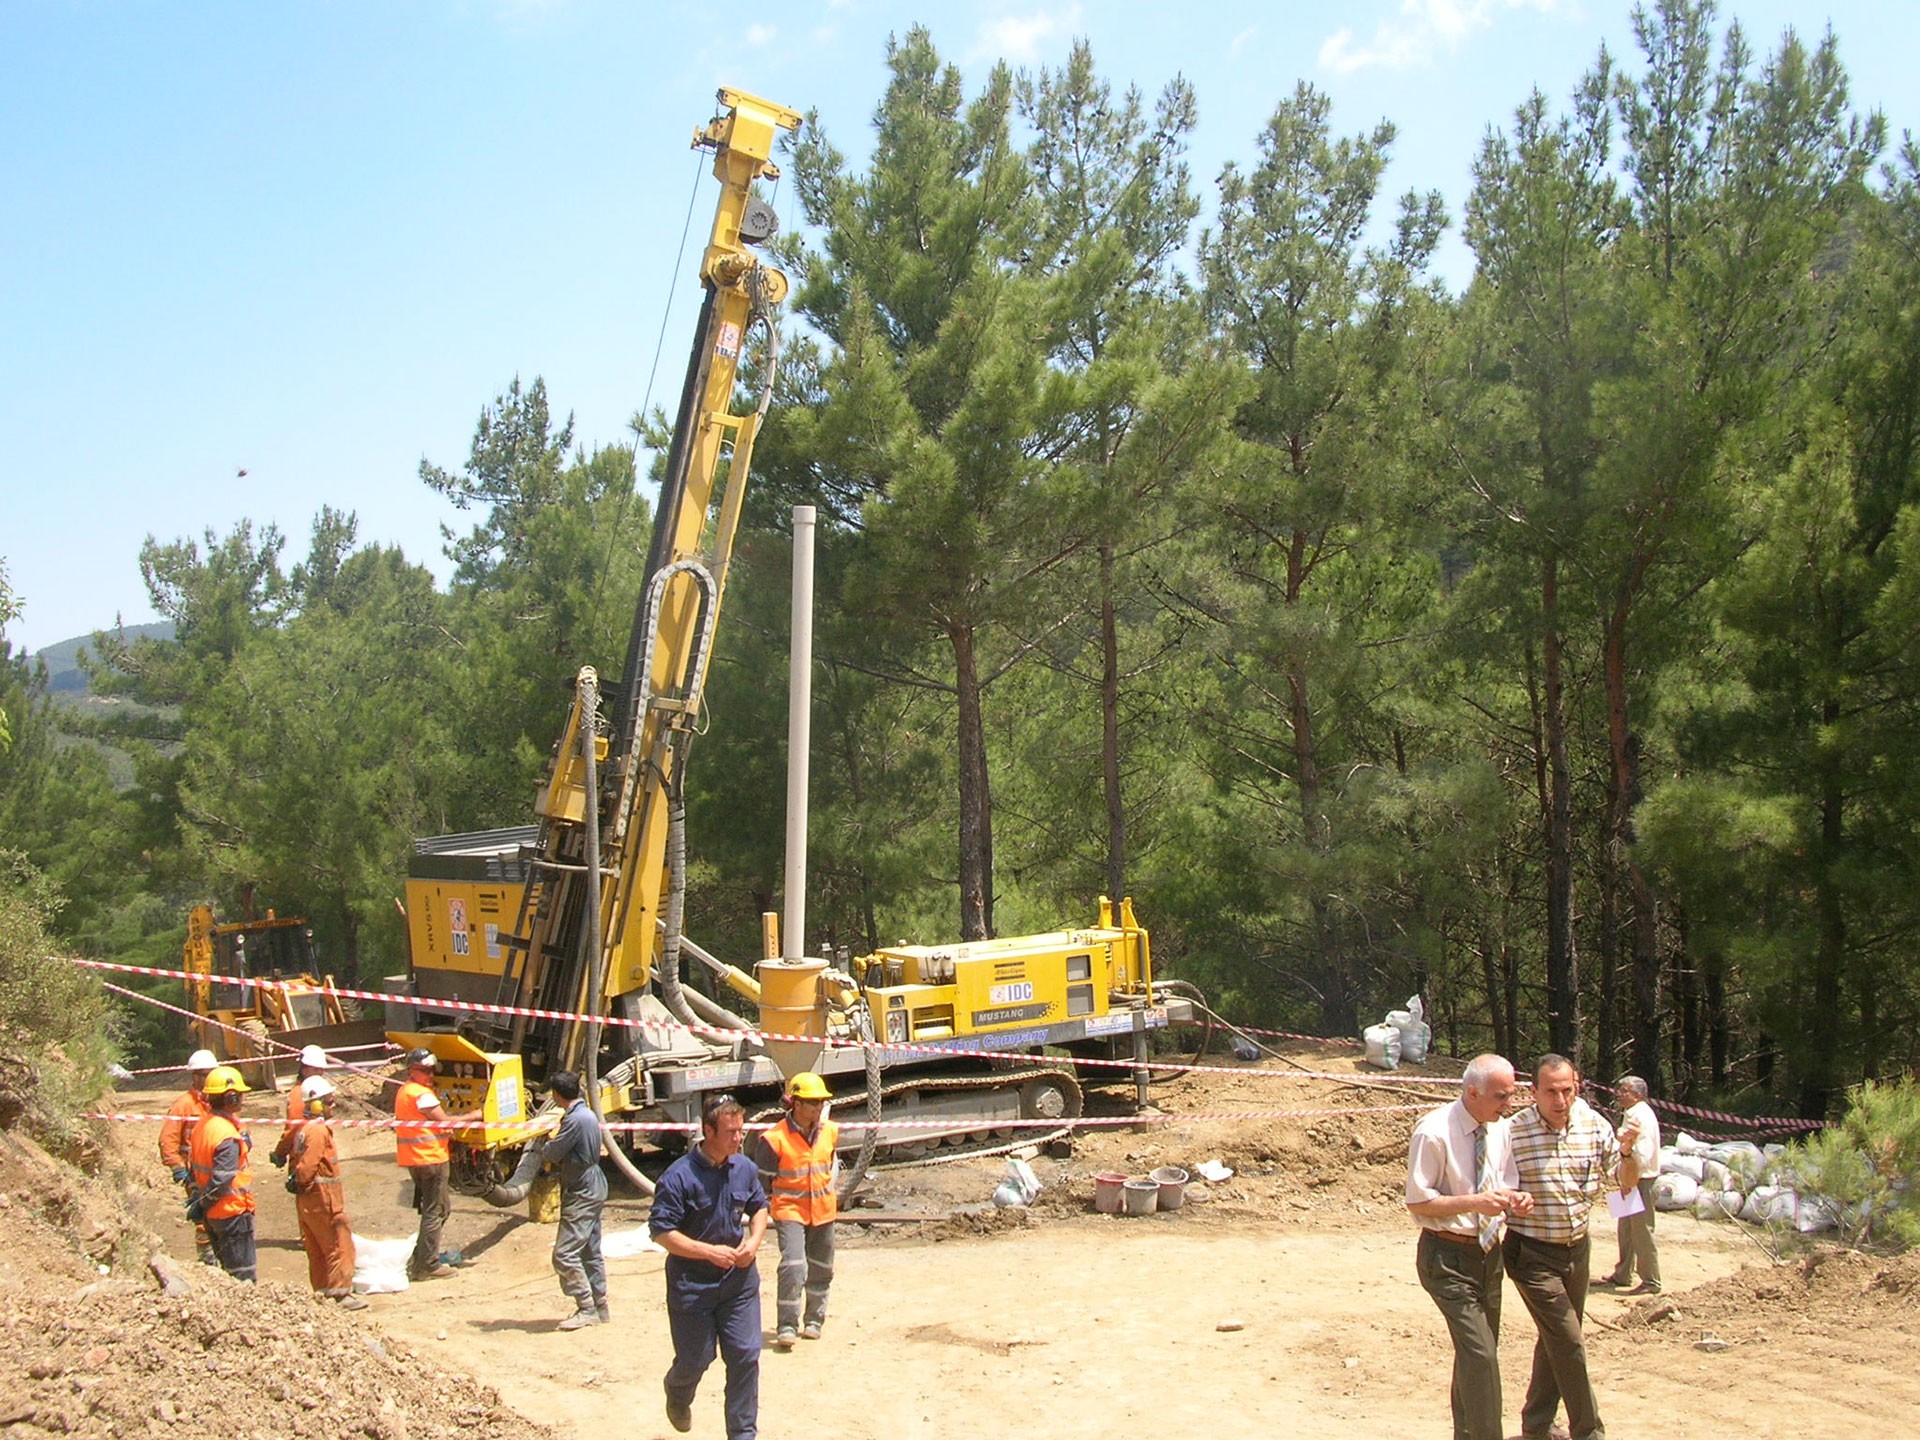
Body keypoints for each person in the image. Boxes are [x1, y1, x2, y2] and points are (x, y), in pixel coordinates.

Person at [1505, 1054, 1643, 1440]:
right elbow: (1492, 1186)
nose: (1560, 1100)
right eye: (1550, 1091)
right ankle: (1589, 1431)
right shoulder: (1513, 1133)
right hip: (1531, 1253)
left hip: (1577, 1251)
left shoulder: (1594, 1125)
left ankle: (1536, 1423)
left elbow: (1625, 1182)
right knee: (1569, 1340)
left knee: (1558, 1339)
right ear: (1532, 1092)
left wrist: (1629, 1152)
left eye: (1567, 1090)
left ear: (1577, 1086)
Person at [1405, 1053, 1534, 1440]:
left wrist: (1516, 1200)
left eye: (1511, 1095)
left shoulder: (1500, 1129)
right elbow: (1417, 1203)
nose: (1508, 1105)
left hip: (1488, 1256)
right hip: (1446, 1258)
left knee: (1475, 1355)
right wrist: (1474, 1203)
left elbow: (1504, 1182)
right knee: (1482, 1357)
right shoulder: (1433, 1132)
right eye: (1500, 1096)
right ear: (1472, 1092)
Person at [650, 1094, 770, 1439]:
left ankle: (742, 1434)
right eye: (731, 1132)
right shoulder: (679, 1177)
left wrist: (754, 1240)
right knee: (696, 1360)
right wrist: (707, 1252)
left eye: (741, 1131)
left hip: (738, 1283)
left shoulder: (743, 1167)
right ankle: (677, 1391)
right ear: (708, 1131)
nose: (738, 1138)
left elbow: (759, 1206)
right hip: (693, 1286)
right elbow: (661, 1232)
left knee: (746, 1355)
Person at [749, 1071, 839, 1349]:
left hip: (823, 1211)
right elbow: (761, 1185)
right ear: (796, 1103)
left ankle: (814, 1320)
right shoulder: (773, 1139)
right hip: (790, 1211)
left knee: (822, 1268)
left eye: (821, 1102)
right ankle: (787, 1325)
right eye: (813, 1102)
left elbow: (830, 1166)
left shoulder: (831, 1132)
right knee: (793, 1266)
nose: (819, 1107)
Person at [394, 1046, 481, 1281]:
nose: (430, 1075)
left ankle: (421, 1258)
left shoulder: (405, 1091)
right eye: (425, 1070)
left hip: (415, 1159)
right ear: (412, 1069)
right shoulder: (421, 1095)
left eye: (432, 1070)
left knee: (439, 1209)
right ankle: (428, 1265)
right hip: (430, 1158)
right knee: (436, 1211)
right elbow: (445, 1123)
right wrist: (473, 1116)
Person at [289, 1074, 367, 1309]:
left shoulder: (304, 1129)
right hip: (323, 1198)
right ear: (315, 1103)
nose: (333, 1105)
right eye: (328, 1101)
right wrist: (302, 1180)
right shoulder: (318, 1131)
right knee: (338, 1244)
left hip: (308, 1200)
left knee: (316, 1248)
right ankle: (341, 1294)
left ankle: (323, 1292)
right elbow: (308, 1166)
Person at [540, 1070, 610, 1330]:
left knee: (565, 1254)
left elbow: (556, 1152)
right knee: (590, 1250)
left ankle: (586, 1306)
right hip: (593, 1184)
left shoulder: (574, 1120)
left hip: (582, 1189)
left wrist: (543, 1146)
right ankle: (600, 1305)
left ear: (557, 1095)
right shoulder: (587, 1114)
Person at [186, 1065, 257, 1282]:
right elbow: (222, 1178)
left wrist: (200, 1202)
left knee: (227, 1275)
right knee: (242, 1277)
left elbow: (196, 1168)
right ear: (231, 1098)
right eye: (240, 1096)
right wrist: (204, 1203)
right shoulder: (225, 1134)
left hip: (215, 1215)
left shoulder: (204, 1125)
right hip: (232, 1212)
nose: (242, 1100)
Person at [1602, 1075, 1662, 1295]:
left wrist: (1631, 1179)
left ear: (1637, 1095)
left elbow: (1643, 1153)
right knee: (1625, 1228)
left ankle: (1651, 1280)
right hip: (1629, 1178)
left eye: (1625, 1091)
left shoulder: (1640, 1116)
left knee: (1642, 1230)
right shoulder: (1632, 1113)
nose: (1620, 1094)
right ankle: (1622, 1272)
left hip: (1640, 1179)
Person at [159, 1049, 219, 1265]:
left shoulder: (217, 1101)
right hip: (195, 1174)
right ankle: (208, 1261)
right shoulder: (184, 1105)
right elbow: (168, 1139)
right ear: (195, 1076)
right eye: (205, 1074)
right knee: (203, 1218)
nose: (209, 1079)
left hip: (219, 1170)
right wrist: (178, 1167)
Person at [271, 1044, 335, 1170]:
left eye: (321, 1069)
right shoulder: (299, 1094)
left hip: (315, 1151)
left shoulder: (318, 1089)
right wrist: (280, 1152)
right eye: (315, 1069)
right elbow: (294, 1127)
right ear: (304, 1069)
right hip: (305, 1155)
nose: (320, 1073)